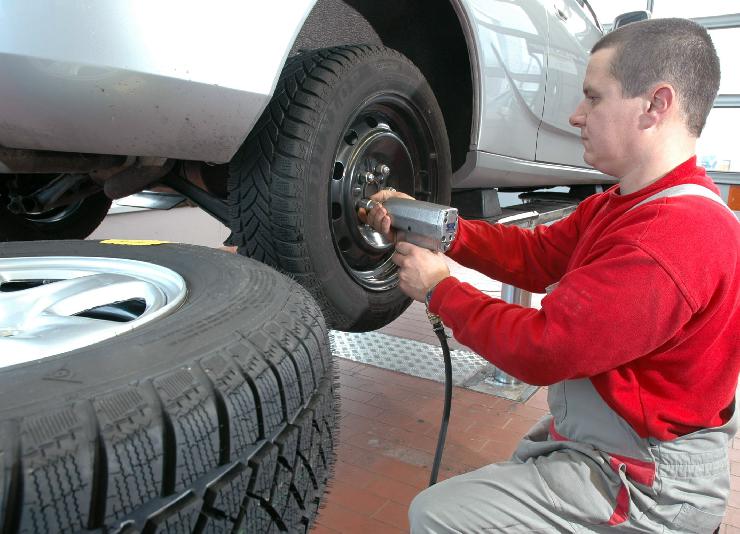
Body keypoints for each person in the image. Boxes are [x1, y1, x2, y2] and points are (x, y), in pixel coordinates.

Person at [361, 18, 739, 533]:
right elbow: (536, 257)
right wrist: (439, 229)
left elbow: (545, 347)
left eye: (593, 97)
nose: (576, 115)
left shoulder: (673, 236)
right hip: (610, 444)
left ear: (656, 104)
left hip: (647, 485)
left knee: (438, 516)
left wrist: (440, 289)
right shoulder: (625, 204)